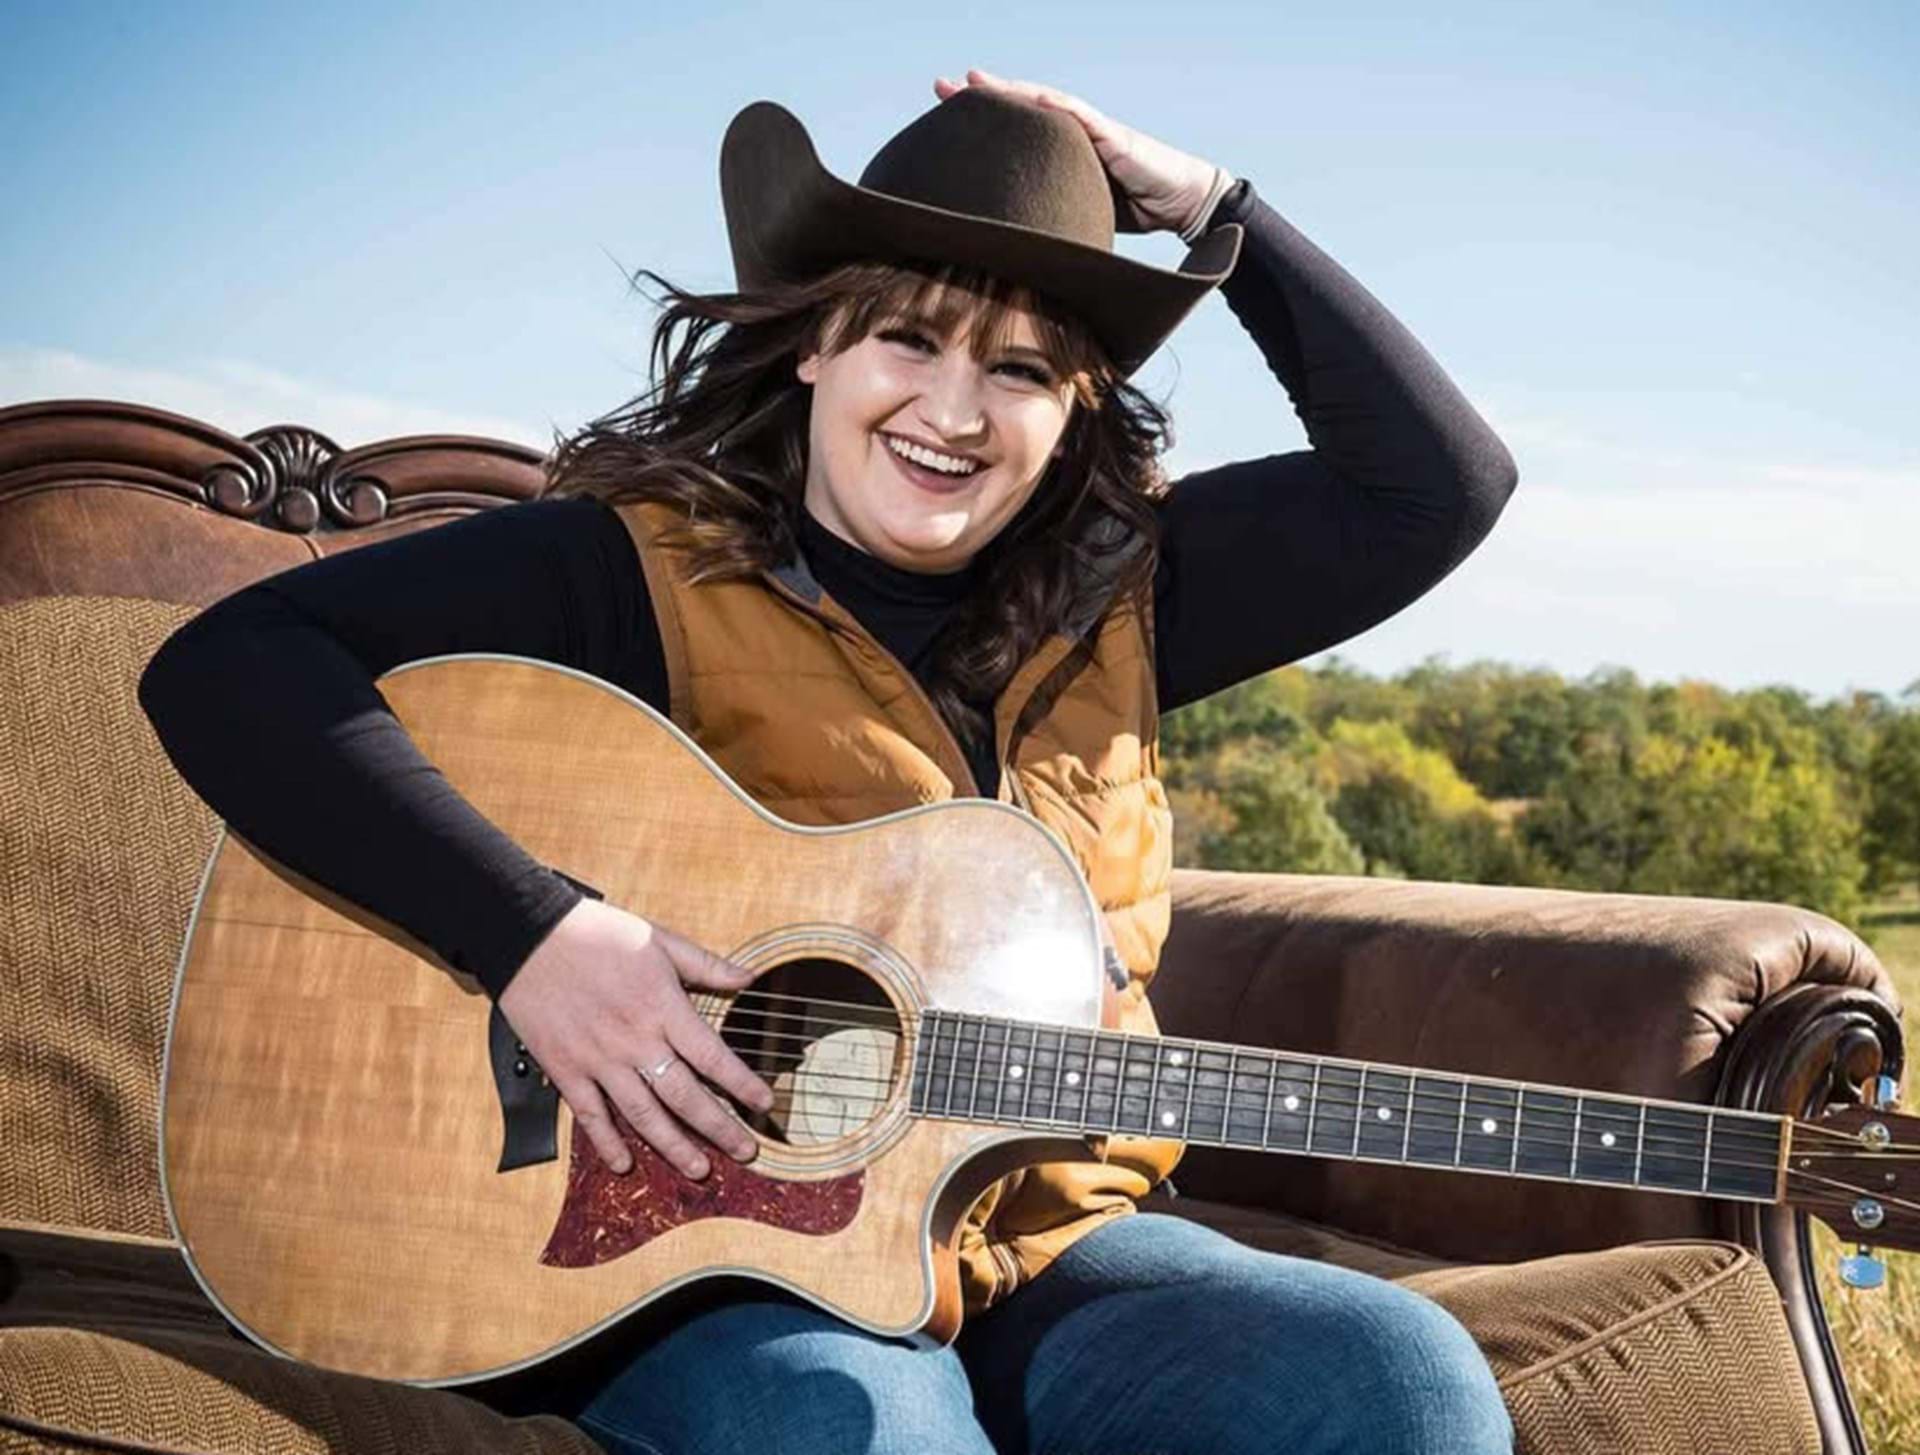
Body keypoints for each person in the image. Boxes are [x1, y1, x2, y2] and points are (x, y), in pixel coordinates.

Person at [140, 69, 1519, 1455]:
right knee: (875, 1434)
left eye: (1020, 370)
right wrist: (536, 937)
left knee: (1401, 1380)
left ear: (1076, 409)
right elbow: (229, 668)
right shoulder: (625, 566)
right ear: (815, 345)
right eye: (908, 340)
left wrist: (1218, 209)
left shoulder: (1134, 599)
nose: (954, 413)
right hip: (688, 1255)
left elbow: (1439, 488)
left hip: (1037, 1253)